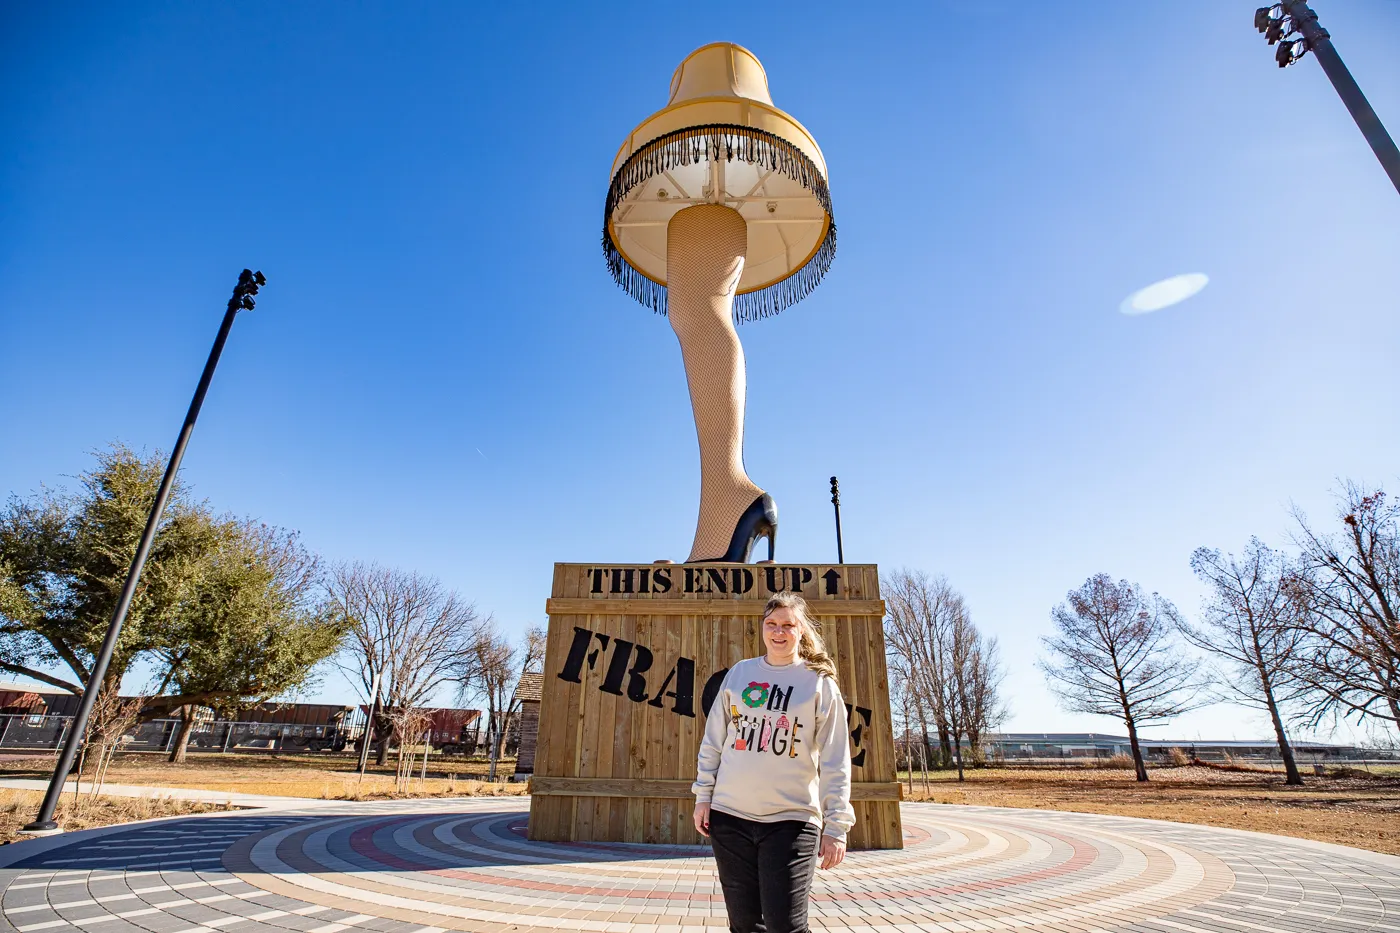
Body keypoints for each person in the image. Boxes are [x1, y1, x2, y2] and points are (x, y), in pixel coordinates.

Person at [692, 592, 855, 933]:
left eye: (787, 625)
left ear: (801, 631)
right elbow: (713, 741)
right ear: (762, 627)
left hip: (792, 822)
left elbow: (836, 759)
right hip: (730, 818)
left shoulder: (818, 683)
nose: (778, 632)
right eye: (771, 624)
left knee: (786, 926)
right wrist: (703, 796)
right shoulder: (740, 674)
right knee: (745, 925)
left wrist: (837, 827)